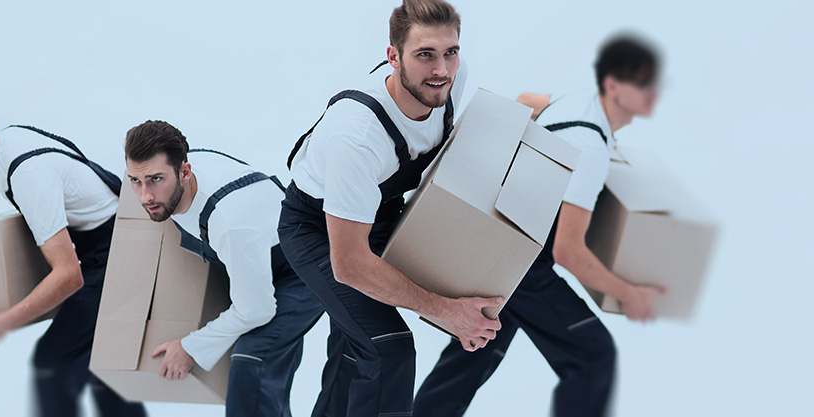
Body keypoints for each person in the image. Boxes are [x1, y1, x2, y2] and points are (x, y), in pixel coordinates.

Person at [413, 35, 665, 417]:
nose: (653, 91)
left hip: (500, 244)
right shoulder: (590, 149)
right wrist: (627, 294)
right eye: (642, 82)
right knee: (592, 355)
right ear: (614, 87)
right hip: (522, 262)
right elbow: (569, 251)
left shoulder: (577, 103)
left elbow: (528, 100)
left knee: (475, 352)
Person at [277, 1, 503, 415]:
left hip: (380, 211)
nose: (441, 70)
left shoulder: (449, 79)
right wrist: (447, 312)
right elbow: (349, 264)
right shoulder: (357, 137)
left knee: (354, 347)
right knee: (388, 350)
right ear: (393, 56)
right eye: (424, 55)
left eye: (450, 52)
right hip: (318, 232)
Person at [0, 88, 147, 417]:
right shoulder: (9, 145)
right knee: (104, 368)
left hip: (122, 257)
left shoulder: (26, 174)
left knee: (52, 363)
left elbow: (69, 276)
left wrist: (2, 321)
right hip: (113, 247)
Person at [123, 121, 323, 417]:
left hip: (306, 266)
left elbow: (256, 309)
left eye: (155, 180)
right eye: (135, 181)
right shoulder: (172, 178)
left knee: (253, 359)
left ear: (185, 172)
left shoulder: (229, 222)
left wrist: (190, 346)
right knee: (267, 386)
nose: (145, 196)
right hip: (258, 257)